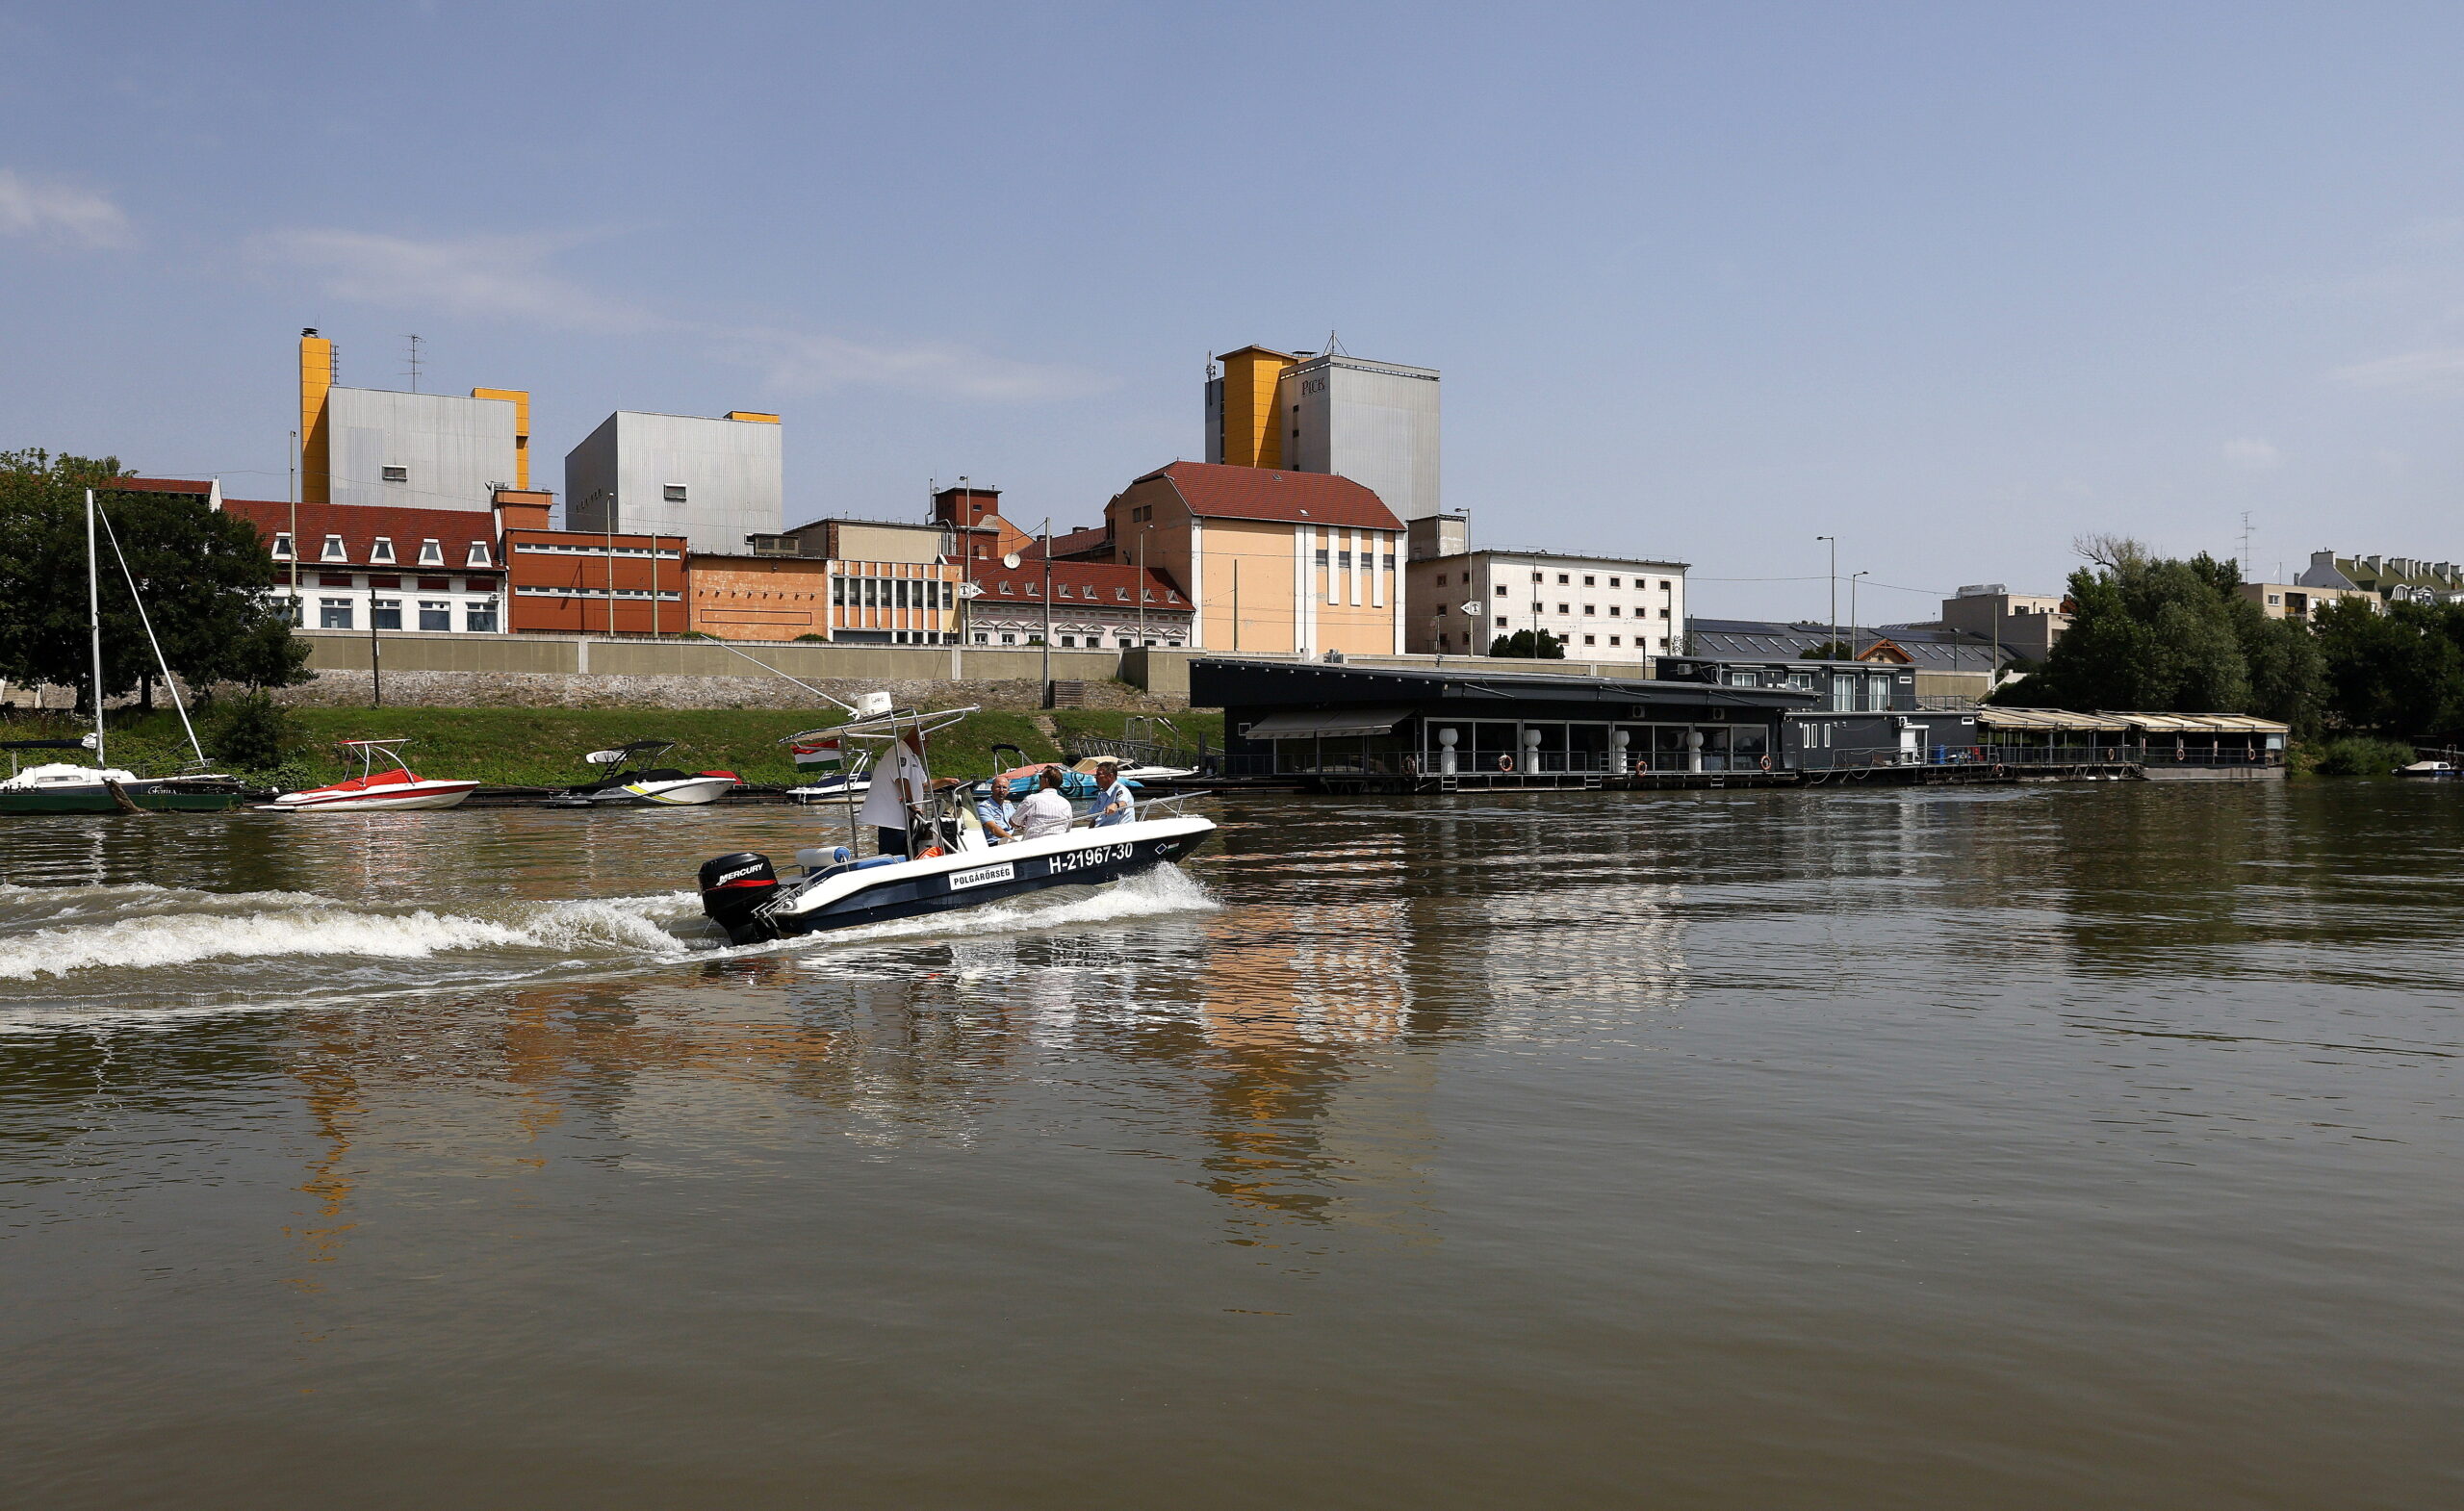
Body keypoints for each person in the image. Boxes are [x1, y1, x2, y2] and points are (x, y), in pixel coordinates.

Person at [1013, 766, 1073, 840]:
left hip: (1033, 846)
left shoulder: (1031, 800)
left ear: (1046, 781)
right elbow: (1068, 827)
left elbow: (1014, 822)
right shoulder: (1066, 803)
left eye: (1040, 777)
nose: (1039, 779)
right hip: (1058, 845)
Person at [975, 774, 1018, 842]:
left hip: (1011, 839)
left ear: (1008, 791)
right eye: (998, 787)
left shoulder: (1008, 805)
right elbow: (994, 829)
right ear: (992, 789)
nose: (1001, 790)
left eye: (1004, 787)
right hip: (995, 842)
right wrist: (1013, 840)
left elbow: (1017, 822)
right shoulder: (983, 807)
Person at [1091, 760, 1135, 827]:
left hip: (1119, 831)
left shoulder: (1121, 790)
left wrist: (1115, 805)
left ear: (1110, 776)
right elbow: (1094, 817)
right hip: (1103, 830)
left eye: (1099, 774)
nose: (1096, 777)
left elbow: (1123, 803)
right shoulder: (1102, 795)